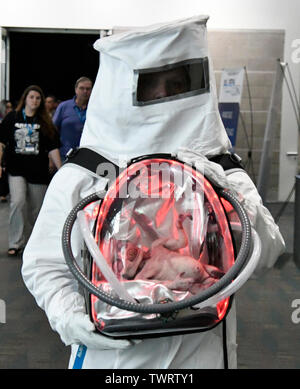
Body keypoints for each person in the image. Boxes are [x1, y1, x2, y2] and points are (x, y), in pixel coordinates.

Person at [21, 16, 285, 369]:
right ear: (122, 89)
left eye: (176, 84)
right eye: (150, 86)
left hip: (200, 355)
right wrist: (70, 318)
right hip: (115, 361)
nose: (164, 96)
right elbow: (43, 265)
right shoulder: (86, 173)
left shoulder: (220, 169)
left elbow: (266, 252)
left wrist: (223, 190)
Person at [0, 85, 62, 257]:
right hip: (16, 169)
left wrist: (61, 169)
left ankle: (34, 243)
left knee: (36, 210)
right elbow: (2, 142)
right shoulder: (12, 117)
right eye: (31, 97)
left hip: (38, 172)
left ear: (41, 102)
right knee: (18, 202)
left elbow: (53, 148)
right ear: (25, 99)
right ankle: (15, 242)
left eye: (37, 98)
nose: (34, 100)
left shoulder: (45, 122)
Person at [53, 77, 93, 161]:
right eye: (82, 88)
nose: (85, 91)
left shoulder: (95, 108)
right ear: (76, 89)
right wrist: (52, 156)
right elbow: (53, 131)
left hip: (88, 156)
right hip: (65, 155)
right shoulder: (63, 106)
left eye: (88, 89)